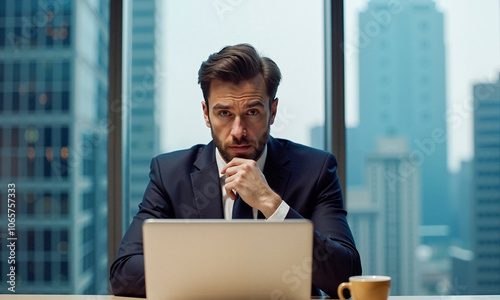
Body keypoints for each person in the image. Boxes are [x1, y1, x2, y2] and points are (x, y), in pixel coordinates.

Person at [109, 43, 362, 298]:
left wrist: (271, 204)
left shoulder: (315, 170)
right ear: (206, 114)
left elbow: (346, 277)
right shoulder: (170, 173)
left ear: (272, 112)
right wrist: (224, 270)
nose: (238, 131)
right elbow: (123, 274)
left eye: (252, 112)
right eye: (224, 113)